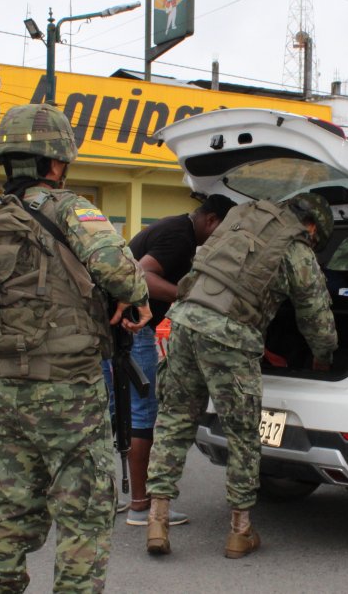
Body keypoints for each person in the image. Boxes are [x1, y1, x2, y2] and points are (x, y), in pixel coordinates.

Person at [0, 103, 151, 594]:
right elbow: (121, 271)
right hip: (70, 396)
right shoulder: (71, 209)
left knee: (12, 513)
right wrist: (136, 300)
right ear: (57, 163)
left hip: (6, 395)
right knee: (82, 520)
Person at [144, 193, 338, 559]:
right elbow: (316, 315)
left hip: (184, 324)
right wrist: (324, 356)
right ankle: (240, 532)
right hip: (230, 337)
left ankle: (157, 520)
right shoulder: (295, 249)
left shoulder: (242, 220)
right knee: (243, 434)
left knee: (172, 422)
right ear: (311, 226)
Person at [109, 194, 237, 528]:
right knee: (142, 417)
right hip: (133, 331)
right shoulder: (180, 236)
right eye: (223, 229)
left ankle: (118, 496)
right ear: (210, 219)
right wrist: (186, 296)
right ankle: (140, 505)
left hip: (114, 331)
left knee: (120, 413)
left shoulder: (173, 229)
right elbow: (141, 274)